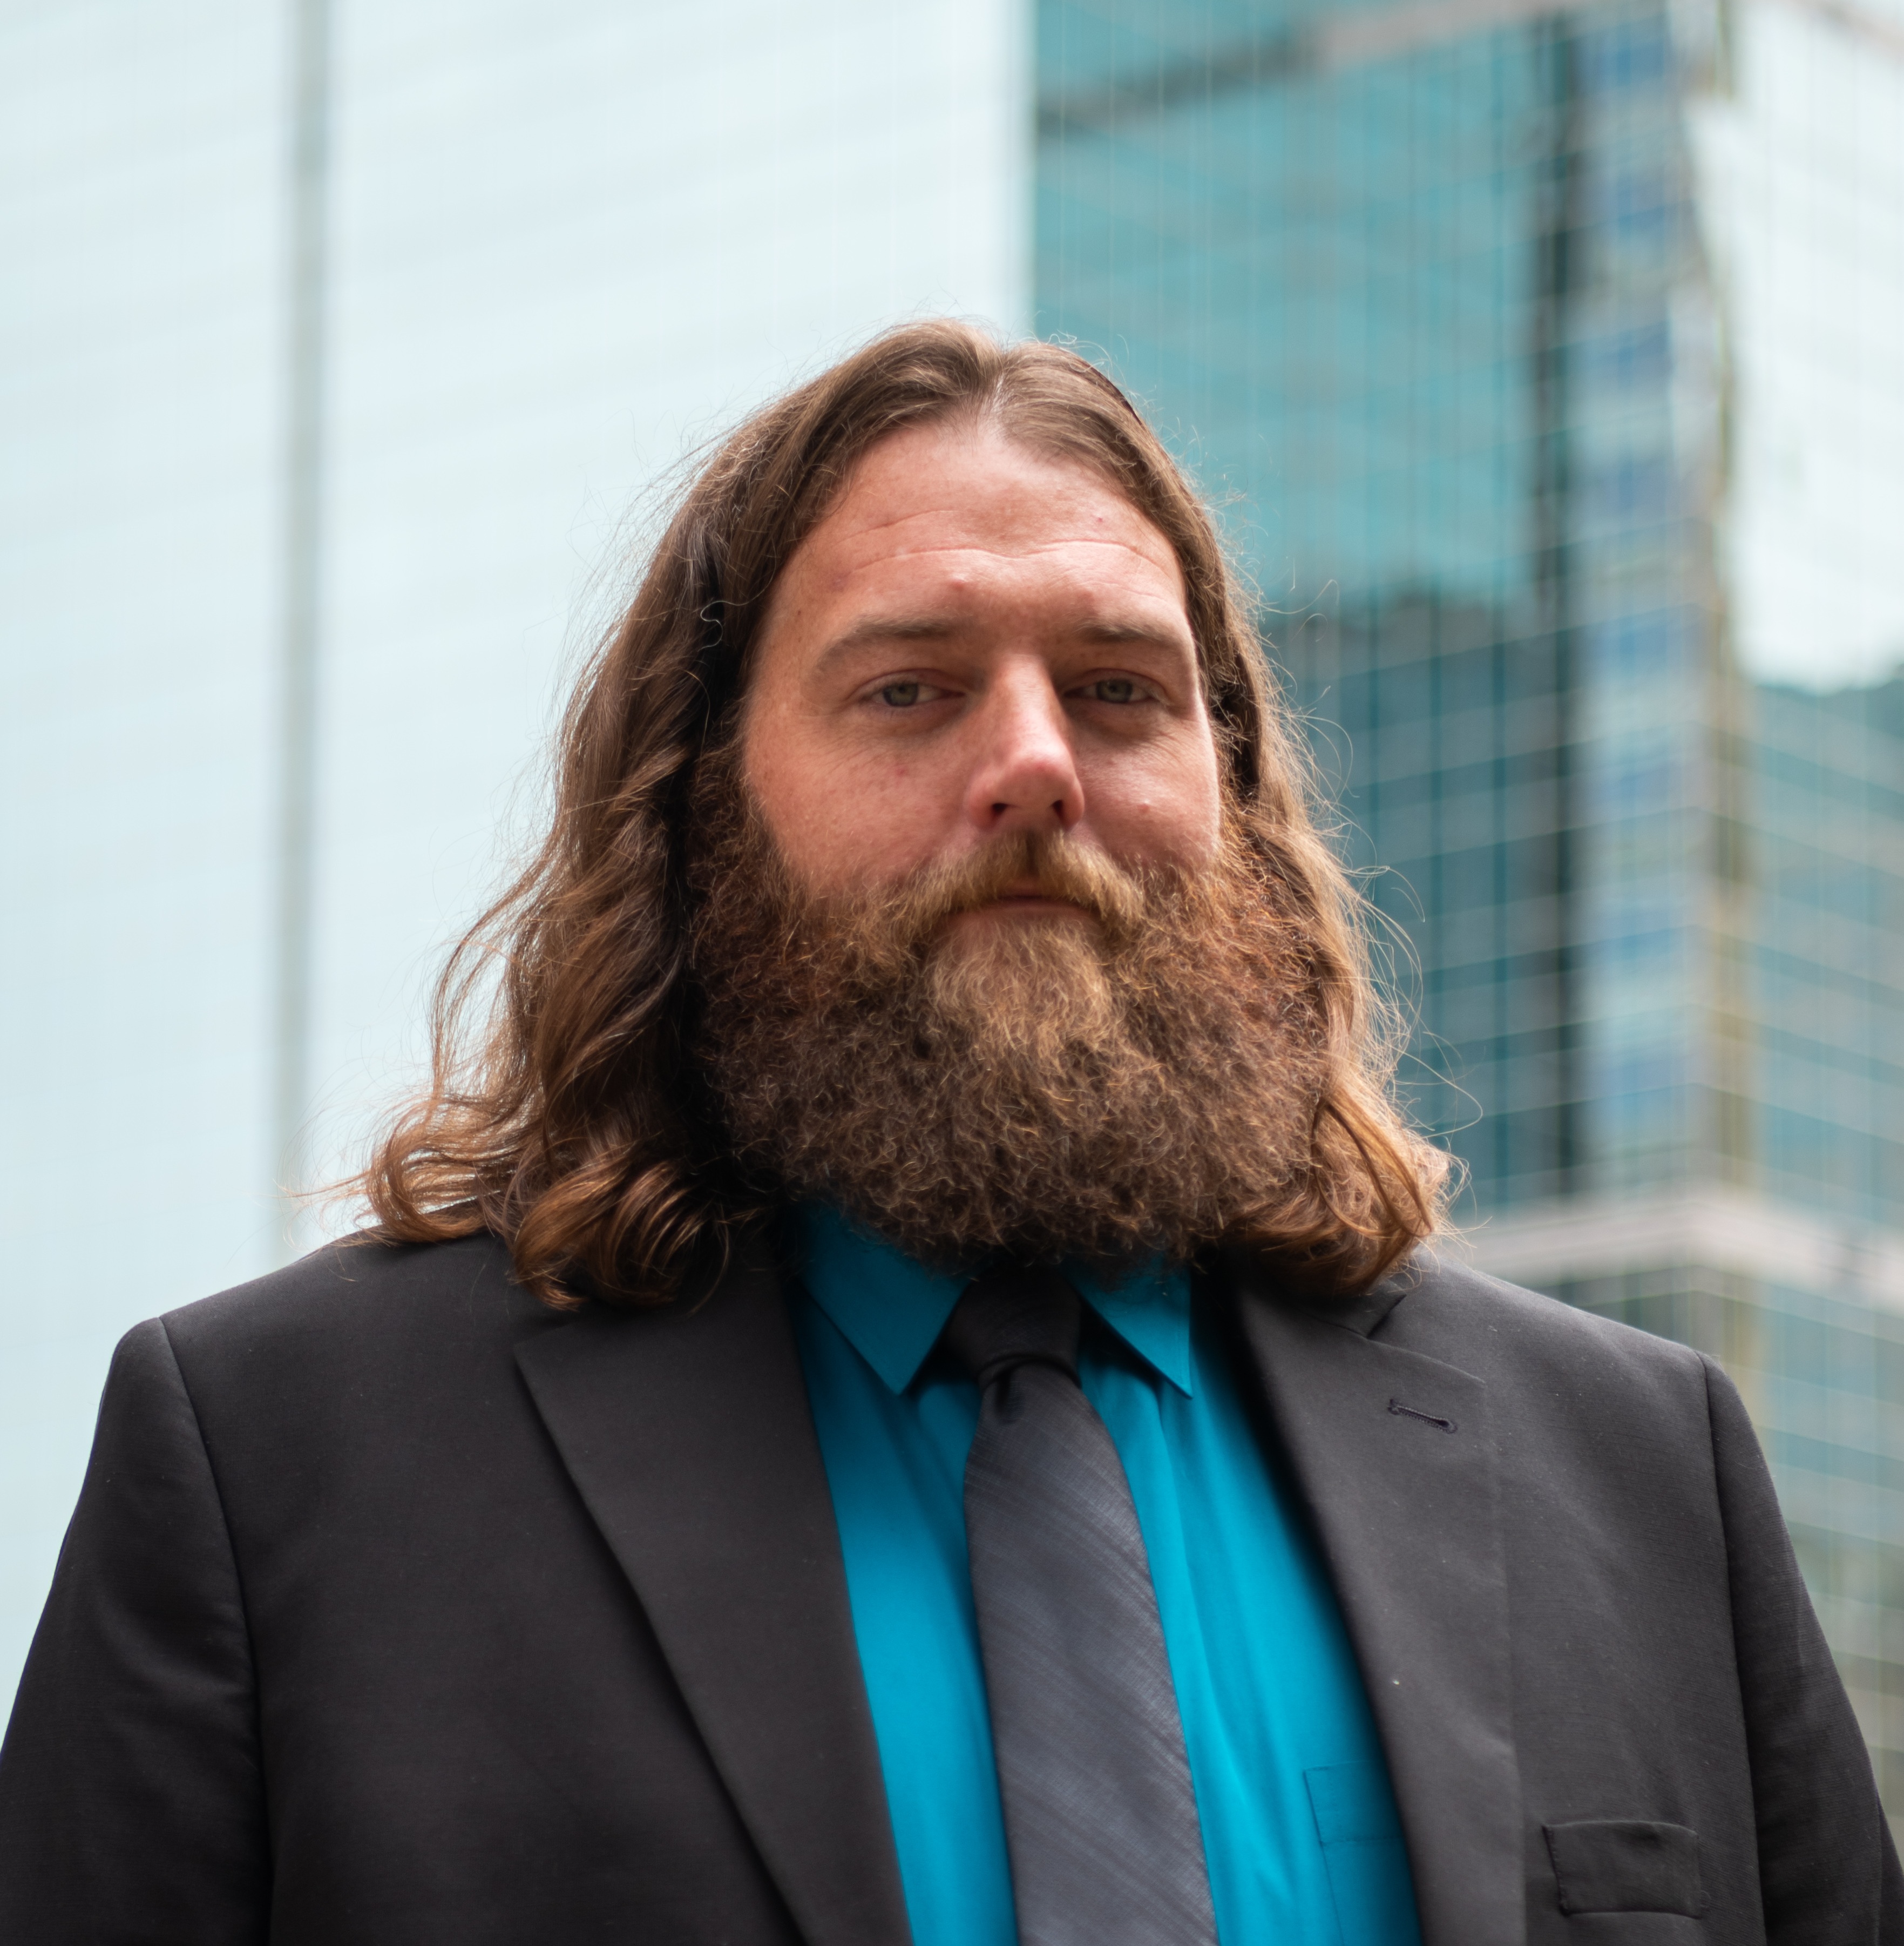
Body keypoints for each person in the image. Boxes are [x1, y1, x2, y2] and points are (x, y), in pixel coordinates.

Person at [0, 322, 1895, 1946]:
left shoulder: (1646, 1477)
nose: (1035, 763)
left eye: (1120, 690)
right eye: (908, 688)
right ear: (695, 805)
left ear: (1231, 789)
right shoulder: (273, 1476)